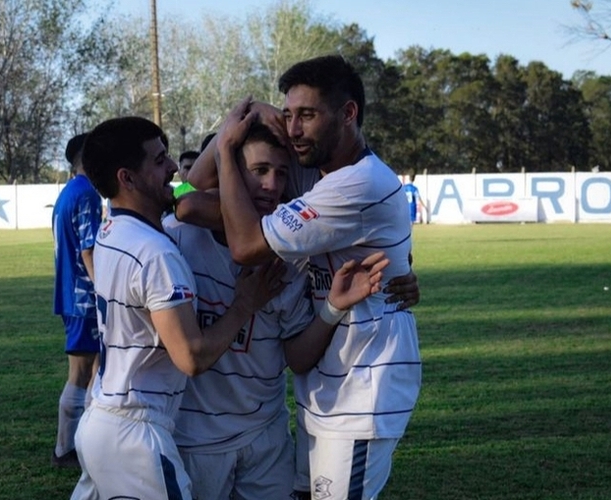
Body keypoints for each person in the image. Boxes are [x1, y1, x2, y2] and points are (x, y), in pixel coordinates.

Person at [199, 55, 422, 499]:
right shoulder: (313, 169)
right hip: (323, 388)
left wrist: (226, 146)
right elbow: (191, 183)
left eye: (307, 115)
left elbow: (244, 244)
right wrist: (250, 114)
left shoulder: (358, 184)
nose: (294, 129)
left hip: (364, 390)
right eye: (288, 115)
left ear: (348, 114)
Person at [69, 116, 288, 500]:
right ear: (128, 178)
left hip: (101, 419)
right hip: (136, 432)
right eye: (159, 160)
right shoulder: (158, 253)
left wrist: (226, 137)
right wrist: (245, 303)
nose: (174, 168)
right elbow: (191, 357)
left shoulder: (114, 231)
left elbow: (187, 192)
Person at [167, 122, 389, 500]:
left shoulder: (292, 252)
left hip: (265, 438)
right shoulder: (174, 239)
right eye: (259, 171)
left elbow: (297, 358)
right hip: (196, 440)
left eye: (281, 172)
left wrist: (333, 307)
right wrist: (235, 125)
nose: (272, 185)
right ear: (231, 173)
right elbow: (183, 195)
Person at [50, 132, 103, 468]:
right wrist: (106, 289)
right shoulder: (87, 195)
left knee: (97, 372)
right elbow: (88, 248)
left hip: (71, 294)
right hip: (84, 298)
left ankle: (87, 445)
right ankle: (65, 450)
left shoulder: (67, 193)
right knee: (82, 373)